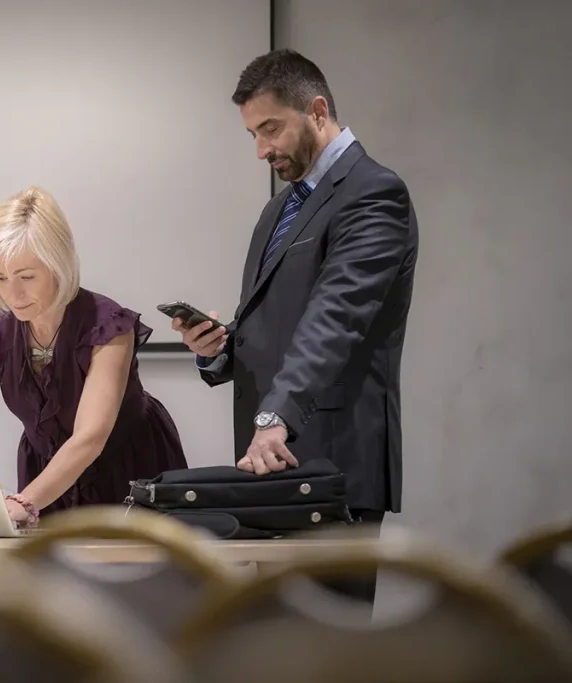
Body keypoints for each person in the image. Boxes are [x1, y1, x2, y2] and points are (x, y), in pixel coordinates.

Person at [174, 50, 419, 603]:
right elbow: (279, 324)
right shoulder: (279, 210)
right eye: (252, 135)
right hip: (271, 460)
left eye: (271, 129)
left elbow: (336, 316)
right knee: (278, 642)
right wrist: (218, 348)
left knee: (329, 651)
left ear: (316, 110)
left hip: (333, 462)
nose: (262, 150)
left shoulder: (374, 193)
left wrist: (276, 417)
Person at [0, 186, 188, 527]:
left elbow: (90, 436)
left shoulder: (107, 325)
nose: (12, 294)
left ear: (59, 265)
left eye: (27, 277)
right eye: (0, 279)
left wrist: (24, 503)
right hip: (45, 472)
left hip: (126, 468)